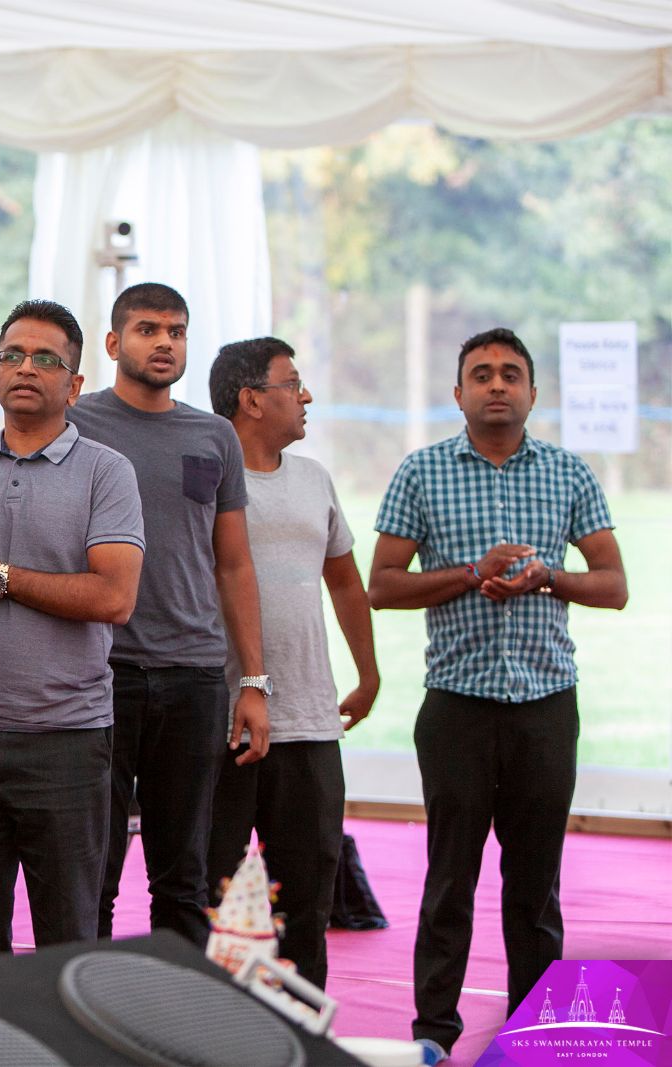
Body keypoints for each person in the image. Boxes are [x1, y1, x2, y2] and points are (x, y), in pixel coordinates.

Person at [369, 327, 627, 1062]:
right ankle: (434, 1034)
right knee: (451, 874)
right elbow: (381, 584)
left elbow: (614, 584)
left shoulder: (569, 474)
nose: (496, 385)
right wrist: (466, 573)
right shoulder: (421, 473)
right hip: (456, 703)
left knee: (535, 883)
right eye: (480, 374)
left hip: (546, 703)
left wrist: (549, 577)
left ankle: (536, 1031)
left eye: (510, 374)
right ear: (457, 394)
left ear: (533, 393)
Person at [0, 299, 144, 959]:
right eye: (13, 356)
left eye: (47, 359)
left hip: (67, 746)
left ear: (75, 385)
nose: (27, 368)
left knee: (67, 939)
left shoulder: (106, 472)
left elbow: (115, 595)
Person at [66, 281, 270, 947]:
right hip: (100, 672)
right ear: (112, 342)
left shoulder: (213, 435)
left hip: (193, 677)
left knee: (182, 876)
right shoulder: (77, 426)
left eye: (176, 331)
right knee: (92, 872)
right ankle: (85, 1017)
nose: (164, 342)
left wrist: (254, 683)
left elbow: (234, 564)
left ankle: (179, 1023)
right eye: (149, 329)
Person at [204, 337, 380, 988]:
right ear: (251, 399)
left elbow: (346, 583)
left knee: (307, 907)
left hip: (310, 722)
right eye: (292, 383)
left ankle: (304, 1035)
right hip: (222, 725)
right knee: (204, 899)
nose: (305, 397)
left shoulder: (315, 480)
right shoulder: (204, 482)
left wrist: (368, 673)